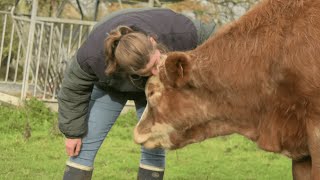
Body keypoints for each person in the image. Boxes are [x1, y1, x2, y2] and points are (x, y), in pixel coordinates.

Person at [58, 7, 216, 180]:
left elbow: (221, 40)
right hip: (109, 87)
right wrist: (72, 133)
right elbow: (73, 89)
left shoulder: (180, 30)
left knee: (153, 143)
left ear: (152, 41)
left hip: (154, 88)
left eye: (156, 63)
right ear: (128, 71)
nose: (156, 71)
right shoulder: (93, 56)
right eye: (148, 70)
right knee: (84, 145)